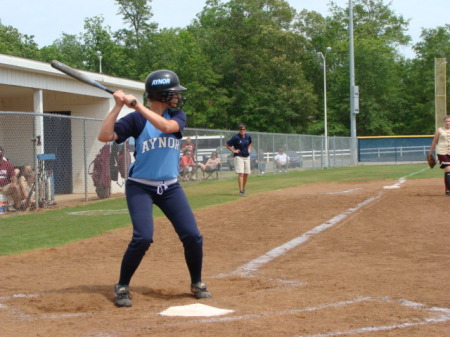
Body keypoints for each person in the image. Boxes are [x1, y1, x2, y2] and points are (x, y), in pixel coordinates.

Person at [97, 69, 211, 307]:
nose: (177, 98)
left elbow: (167, 128)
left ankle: (197, 282)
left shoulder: (176, 115)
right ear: (160, 94)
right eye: (172, 94)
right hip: (141, 187)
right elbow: (104, 136)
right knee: (143, 237)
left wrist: (137, 105)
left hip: (170, 187)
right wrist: (118, 106)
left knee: (192, 235)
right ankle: (122, 285)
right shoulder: (135, 120)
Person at [226, 124, 252, 196]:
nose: (242, 131)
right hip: (239, 156)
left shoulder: (248, 136)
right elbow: (227, 144)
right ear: (238, 130)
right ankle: (241, 191)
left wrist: (249, 149)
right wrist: (233, 150)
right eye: (240, 129)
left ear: (245, 130)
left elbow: (250, 143)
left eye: (243, 129)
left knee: (246, 174)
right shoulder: (236, 137)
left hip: (247, 156)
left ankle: (243, 189)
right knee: (241, 174)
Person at [429, 115, 450, 195]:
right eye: (446, 121)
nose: (448, 123)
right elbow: (435, 141)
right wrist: (430, 152)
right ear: (444, 122)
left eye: (449, 121)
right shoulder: (440, 130)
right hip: (442, 152)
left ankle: (447, 189)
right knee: (448, 169)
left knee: (448, 171)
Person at [0, 146, 22, 211]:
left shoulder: (7, 164)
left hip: (6, 187)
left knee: (15, 187)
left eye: (0, 156)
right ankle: (8, 206)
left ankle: (18, 208)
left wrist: (14, 182)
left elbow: (13, 176)